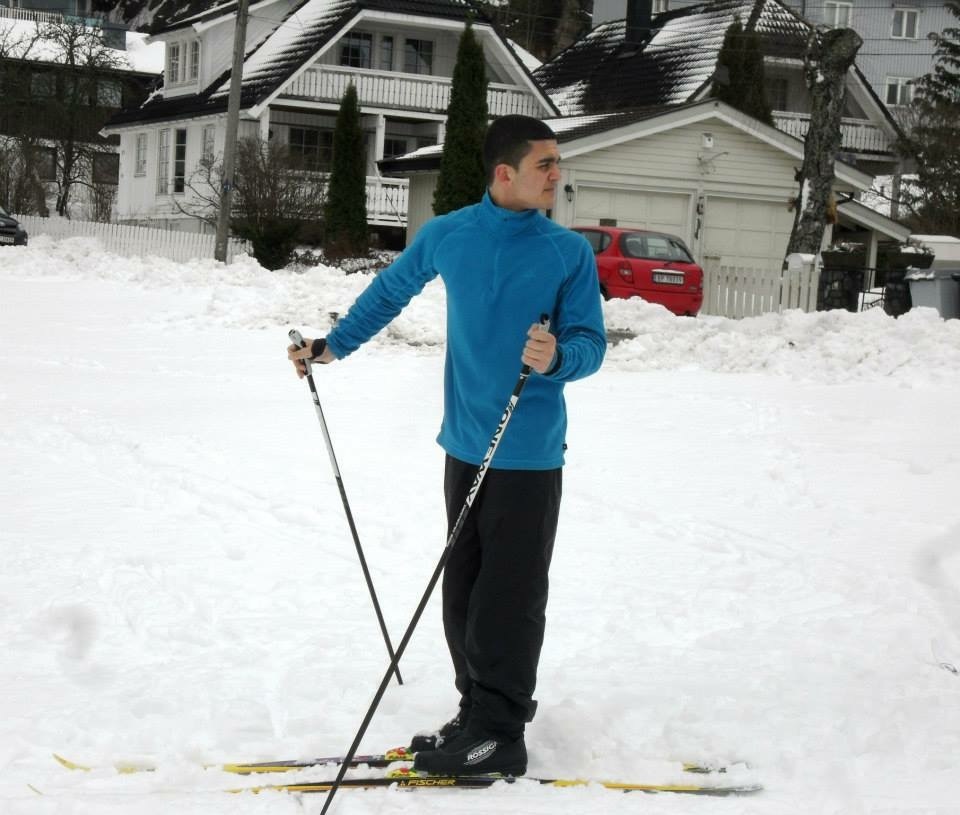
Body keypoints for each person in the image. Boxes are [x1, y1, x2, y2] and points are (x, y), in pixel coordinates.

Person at [288, 115, 606, 776]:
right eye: (545, 163)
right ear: (505, 173)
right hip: (463, 445)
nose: (557, 174)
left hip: (528, 455)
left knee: (508, 600)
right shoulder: (448, 234)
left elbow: (590, 345)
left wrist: (557, 357)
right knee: (462, 592)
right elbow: (389, 292)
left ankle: (502, 731)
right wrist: (332, 345)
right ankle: (476, 714)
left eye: (557, 162)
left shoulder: (566, 253)